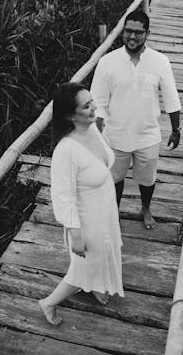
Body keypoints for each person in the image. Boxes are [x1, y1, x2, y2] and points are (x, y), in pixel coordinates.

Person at [38, 82, 124, 326]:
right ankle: (49, 302)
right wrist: (75, 235)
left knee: (104, 253)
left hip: (104, 211)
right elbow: (63, 196)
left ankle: (94, 286)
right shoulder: (66, 150)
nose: (94, 107)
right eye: (86, 106)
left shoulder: (92, 129)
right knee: (82, 269)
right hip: (87, 221)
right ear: (69, 115)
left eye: (92, 101)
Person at [90, 10, 181, 230]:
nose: (132, 37)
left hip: (147, 134)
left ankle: (146, 208)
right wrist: (94, 136)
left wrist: (176, 129)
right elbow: (98, 103)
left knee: (147, 179)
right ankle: (114, 214)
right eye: (128, 31)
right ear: (123, 31)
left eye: (138, 33)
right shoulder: (107, 62)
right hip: (115, 134)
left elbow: (171, 97)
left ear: (147, 33)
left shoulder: (160, 61)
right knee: (114, 179)